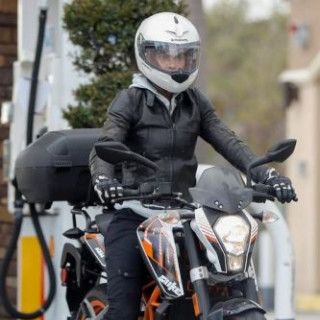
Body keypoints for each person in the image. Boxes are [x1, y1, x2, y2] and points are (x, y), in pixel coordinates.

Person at [89, 12, 296, 320]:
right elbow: (105, 146)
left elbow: (229, 142)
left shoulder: (195, 101)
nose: (175, 64)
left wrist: (266, 173)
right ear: (146, 55)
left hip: (182, 212)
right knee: (123, 310)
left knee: (225, 280)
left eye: (183, 56)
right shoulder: (129, 100)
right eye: (165, 55)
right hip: (134, 212)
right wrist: (103, 180)